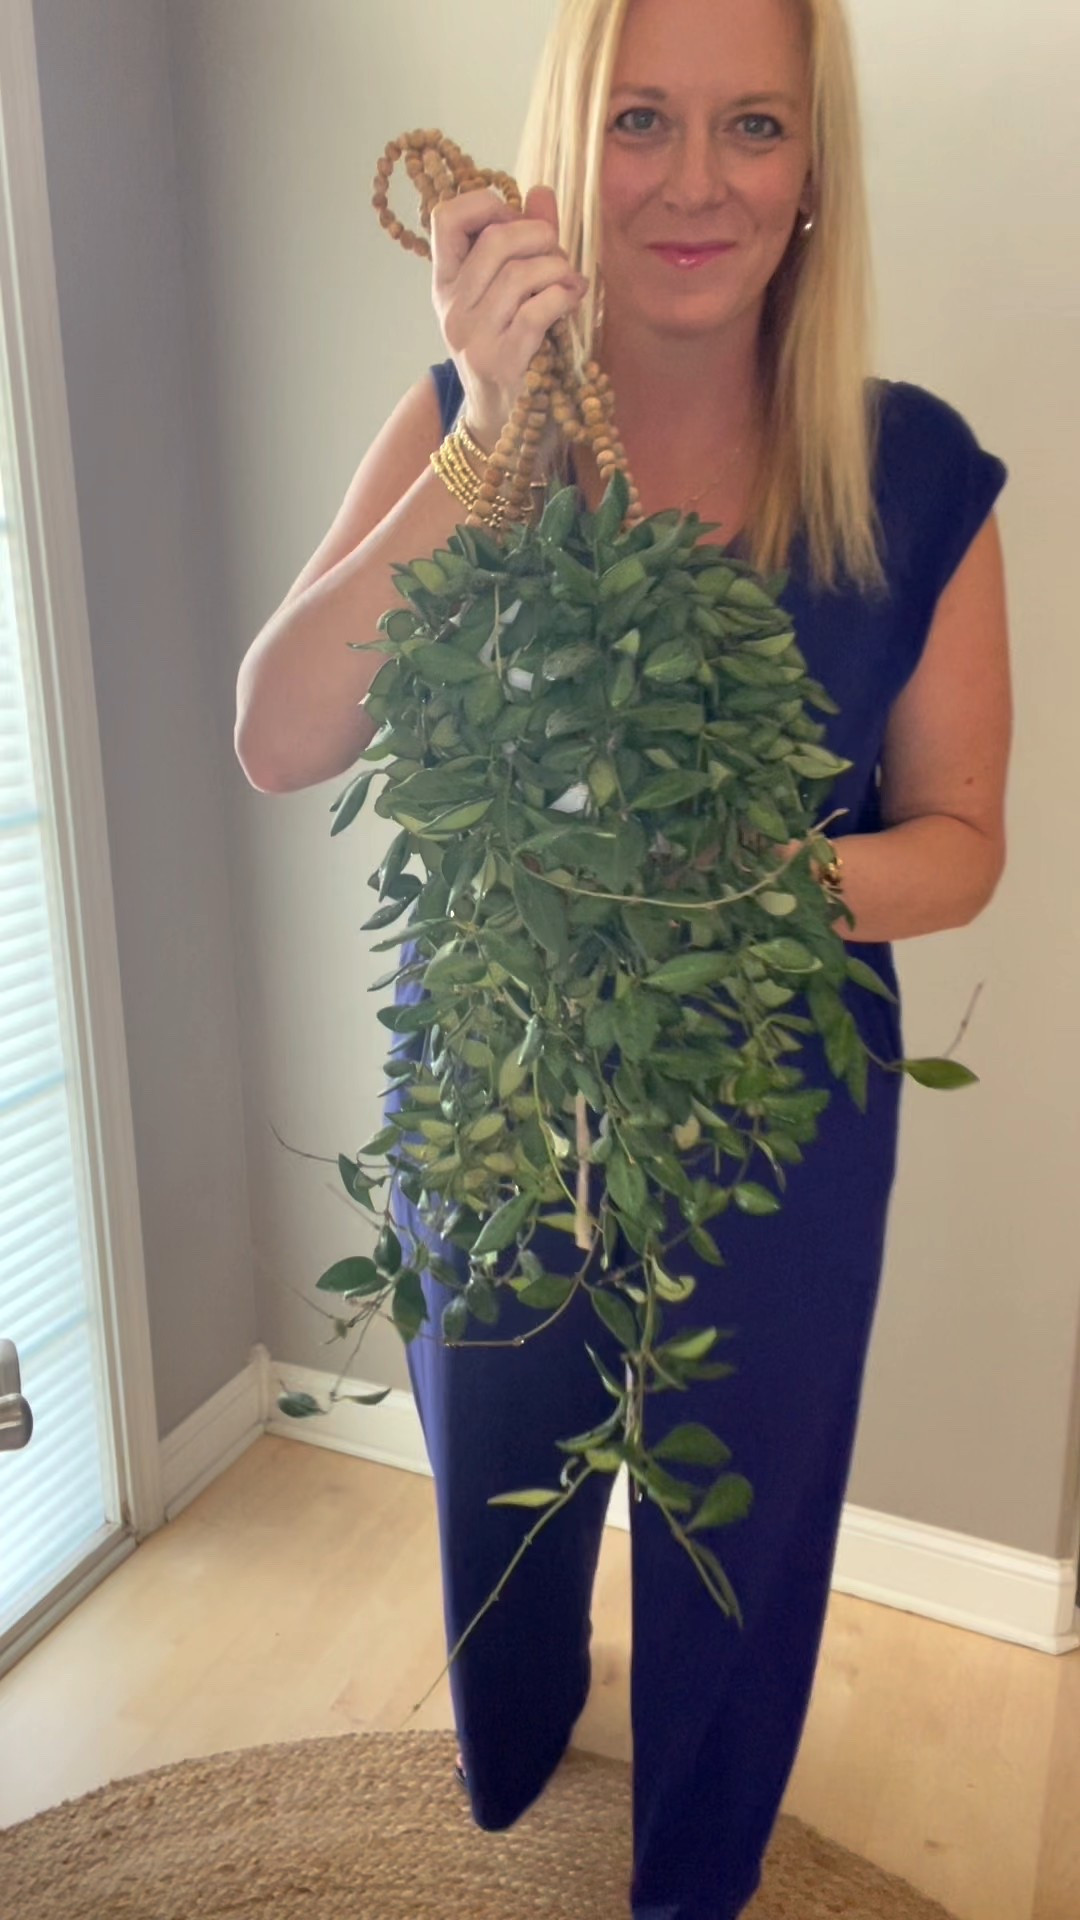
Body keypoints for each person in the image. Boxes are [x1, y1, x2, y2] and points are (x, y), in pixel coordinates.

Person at [235, 1, 1012, 1912]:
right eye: (642, 120)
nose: (692, 180)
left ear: (812, 168)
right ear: (567, 150)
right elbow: (276, 735)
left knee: (740, 1527)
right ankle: (511, 1752)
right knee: (496, 1440)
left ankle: (695, 1876)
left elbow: (961, 847)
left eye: (752, 126)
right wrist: (494, 430)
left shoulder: (906, 474)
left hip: (776, 1119)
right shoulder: (461, 428)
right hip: (496, 1112)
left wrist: (764, 884)